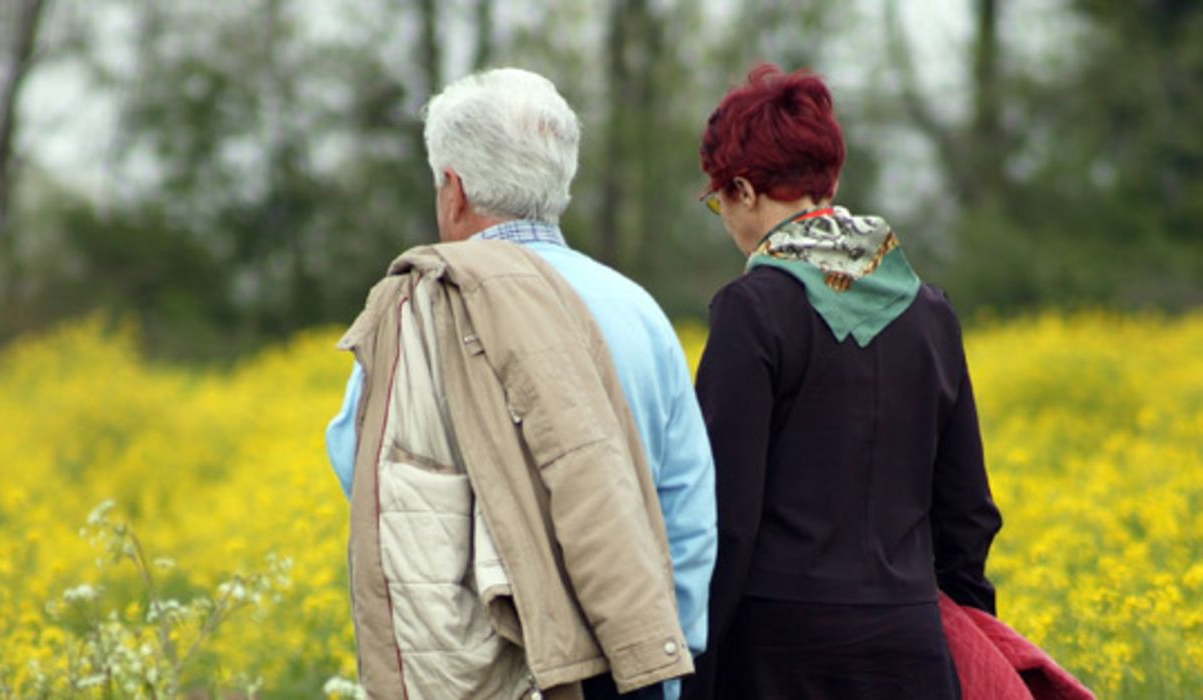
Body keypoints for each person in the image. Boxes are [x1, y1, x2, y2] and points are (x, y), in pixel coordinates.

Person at [327, 68, 717, 699]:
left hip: (491, 667)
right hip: (633, 662)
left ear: (452, 189)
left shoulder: (422, 308)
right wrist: (663, 656)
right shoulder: (640, 311)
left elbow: (367, 472)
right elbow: (687, 507)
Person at [683, 64, 1003, 699]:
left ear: (744, 190)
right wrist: (973, 638)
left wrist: (697, 668)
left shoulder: (752, 310)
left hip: (779, 656)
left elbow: (727, 517)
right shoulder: (928, 309)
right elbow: (966, 513)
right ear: (830, 179)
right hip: (912, 647)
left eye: (719, 199)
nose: (725, 216)